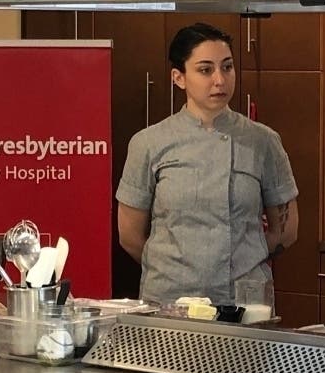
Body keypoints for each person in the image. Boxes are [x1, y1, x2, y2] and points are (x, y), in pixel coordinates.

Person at [116, 22, 299, 305]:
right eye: (205, 70)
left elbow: (287, 230)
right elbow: (129, 235)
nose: (220, 80)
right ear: (179, 77)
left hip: (243, 301)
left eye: (227, 67)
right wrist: (173, 269)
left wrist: (245, 262)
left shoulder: (262, 141)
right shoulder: (149, 143)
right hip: (170, 301)